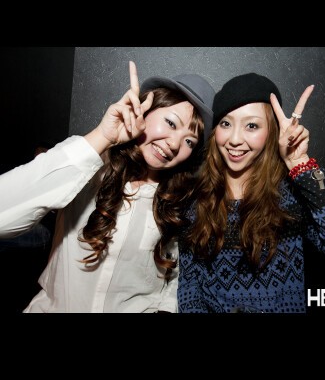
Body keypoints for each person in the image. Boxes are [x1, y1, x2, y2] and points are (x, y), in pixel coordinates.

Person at [0, 61, 215, 313]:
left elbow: (173, 280)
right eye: (171, 123)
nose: (175, 143)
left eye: (190, 141)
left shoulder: (179, 203)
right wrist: (102, 136)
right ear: (145, 110)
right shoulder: (89, 166)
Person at [176, 72, 325, 313]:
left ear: (272, 132)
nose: (235, 139)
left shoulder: (291, 197)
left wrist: (300, 164)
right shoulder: (194, 202)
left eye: (252, 125)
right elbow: (190, 288)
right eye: (226, 124)